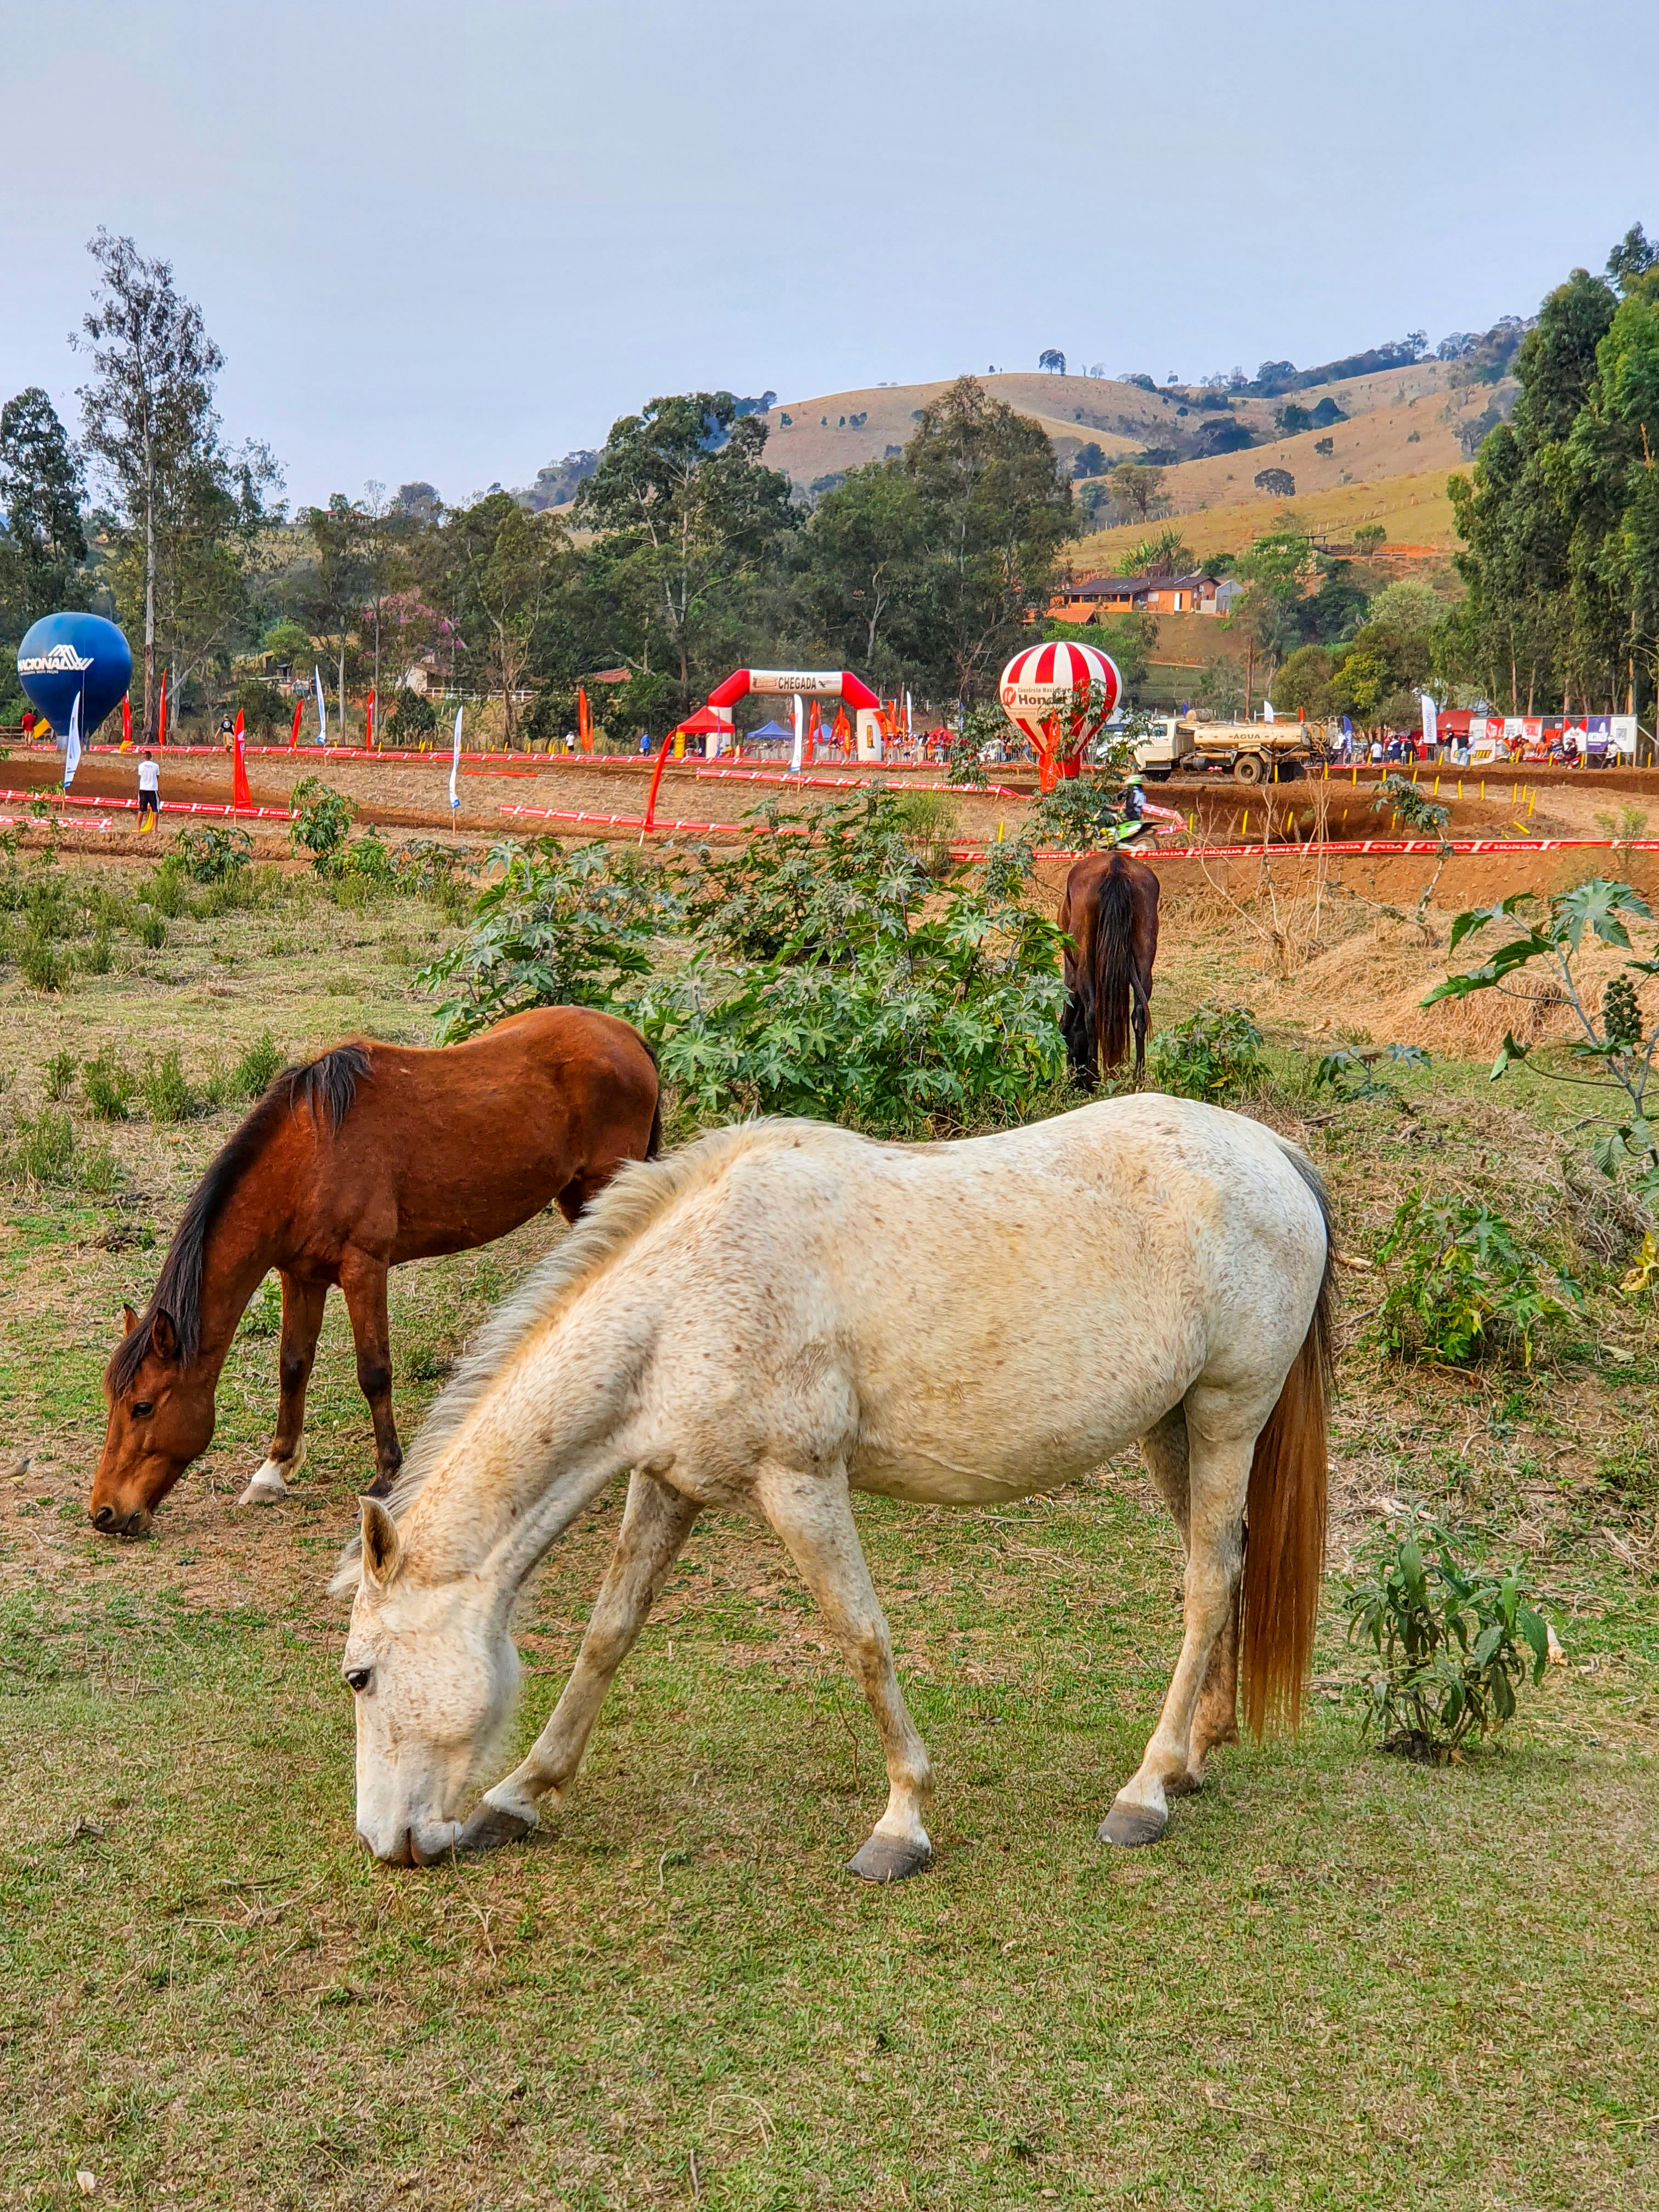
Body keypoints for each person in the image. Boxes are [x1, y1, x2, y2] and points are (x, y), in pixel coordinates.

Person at [137, 748, 160, 832]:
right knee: (155, 809)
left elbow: (140, 776)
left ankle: (138, 829)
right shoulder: (156, 766)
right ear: (151, 757)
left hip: (143, 789)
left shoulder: (141, 766)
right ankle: (155, 829)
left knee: (141, 810)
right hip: (152, 789)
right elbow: (158, 777)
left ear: (145, 757)